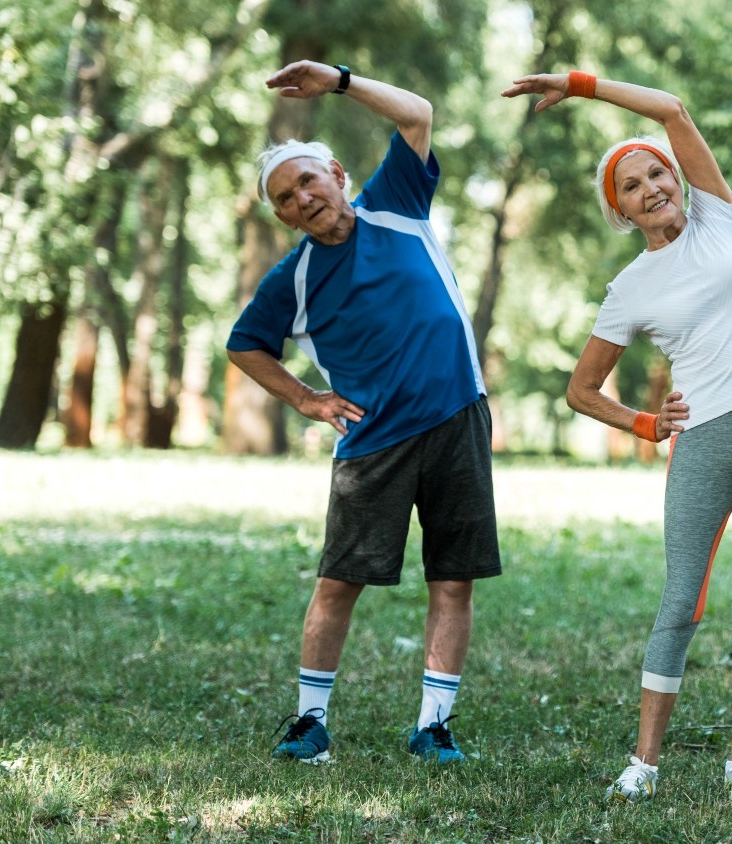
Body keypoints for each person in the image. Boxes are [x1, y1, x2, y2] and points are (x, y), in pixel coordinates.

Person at [501, 69, 732, 804]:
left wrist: (583, 85)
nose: (652, 188)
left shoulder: (721, 217)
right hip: (702, 436)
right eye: (632, 185)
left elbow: (673, 107)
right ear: (620, 209)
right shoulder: (630, 287)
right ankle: (644, 761)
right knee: (681, 599)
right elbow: (580, 390)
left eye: (656, 173)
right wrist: (643, 424)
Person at [227, 60, 501, 764]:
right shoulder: (294, 277)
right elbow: (245, 345)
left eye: (308, 181)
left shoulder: (397, 205)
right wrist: (307, 399)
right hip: (372, 444)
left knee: (453, 578)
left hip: (457, 420)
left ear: (337, 174)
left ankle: (433, 725)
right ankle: (309, 721)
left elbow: (417, 112)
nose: (303, 199)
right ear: (281, 215)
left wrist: (340, 81)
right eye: (286, 198)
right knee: (339, 582)